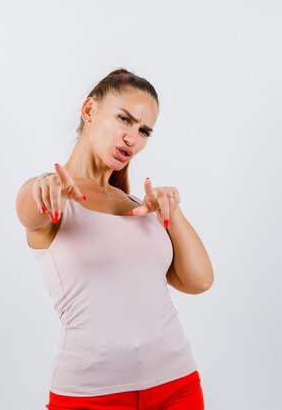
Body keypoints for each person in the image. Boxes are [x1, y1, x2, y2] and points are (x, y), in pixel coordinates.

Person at [15, 68, 214, 410]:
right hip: (89, 396)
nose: (132, 138)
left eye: (144, 130)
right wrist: (45, 184)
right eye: (124, 119)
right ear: (90, 110)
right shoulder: (51, 196)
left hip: (176, 386)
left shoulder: (140, 207)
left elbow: (199, 281)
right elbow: (29, 210)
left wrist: (171, 210)